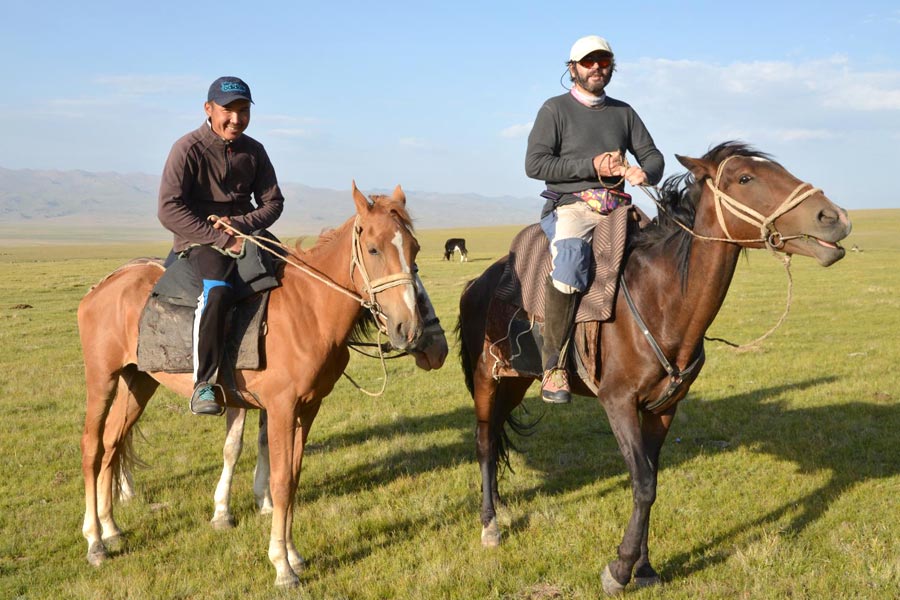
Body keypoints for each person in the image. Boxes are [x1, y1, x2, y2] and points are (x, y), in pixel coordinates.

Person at [525, 36, 664, 404]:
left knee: (664, 256)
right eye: (588, 62)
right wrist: (592, 165)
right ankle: (553, 365)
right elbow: (535, 165)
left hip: (618, 206)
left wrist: (644, 173)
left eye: (603, 61)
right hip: (572, 207)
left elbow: (653, 157)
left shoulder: (624, 112)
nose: (596, 68)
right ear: (572, 69)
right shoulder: (554, 110)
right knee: (570, 263)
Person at [158, 76, 285, 415]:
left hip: (248, 236)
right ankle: (205, 385)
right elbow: (168, 208)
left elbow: (273, 203)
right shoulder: (187, 149)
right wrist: (218, 236)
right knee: (217, 291)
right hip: (200, 242)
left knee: (297, 278)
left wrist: (240, 226)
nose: (236, 118)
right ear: (209, 109)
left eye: (243, 110)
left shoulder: (254, 151)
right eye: (228, 110)